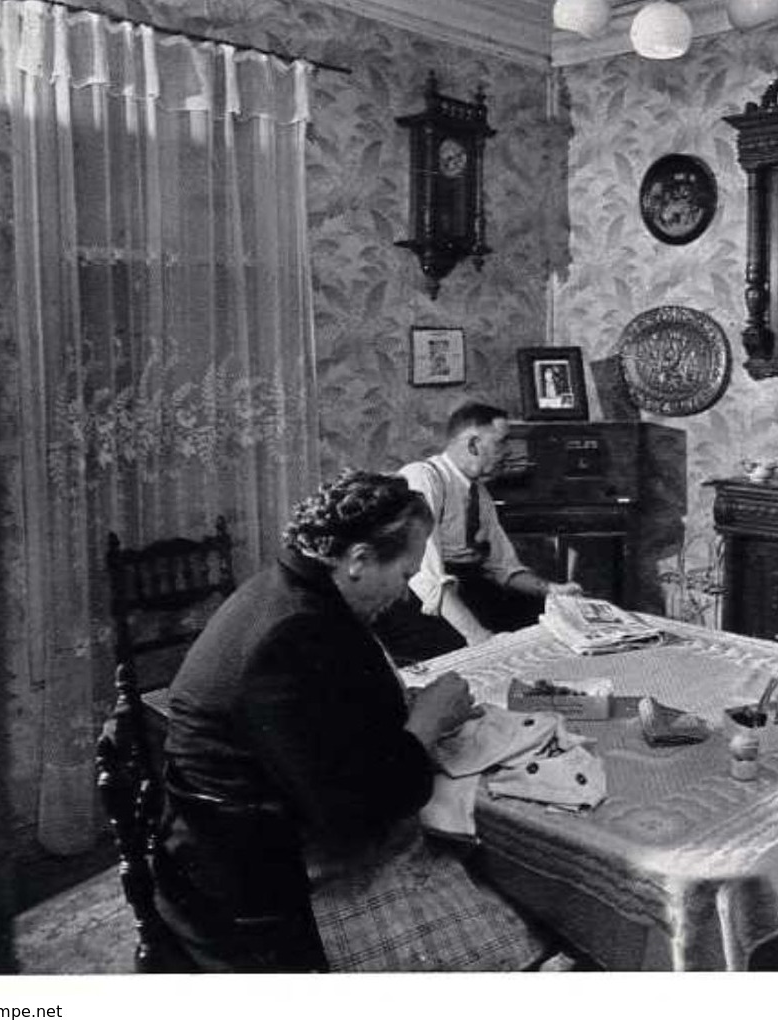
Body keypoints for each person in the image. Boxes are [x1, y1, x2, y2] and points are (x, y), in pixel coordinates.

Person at [156, 468, 555, 972]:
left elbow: (323, 723)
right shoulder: (294, 634)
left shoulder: (293, 591)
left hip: (246, 840)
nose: (408, 593)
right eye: (406, 575)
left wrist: (404, 710)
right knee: (528, 921)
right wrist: (425, 725)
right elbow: (355, 819)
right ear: (359, 560)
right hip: (260, 884)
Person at [374, 401, 581, 659]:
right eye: (502, 442)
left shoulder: (479, 493)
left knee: (552, 621)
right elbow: (426, 577)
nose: (508, 452)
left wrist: (550, 589)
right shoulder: (422, 478)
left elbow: (504, 568)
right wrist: (478, 636)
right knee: (479, 652)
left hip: (467, 585)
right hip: (419, 598)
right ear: (472, 445)